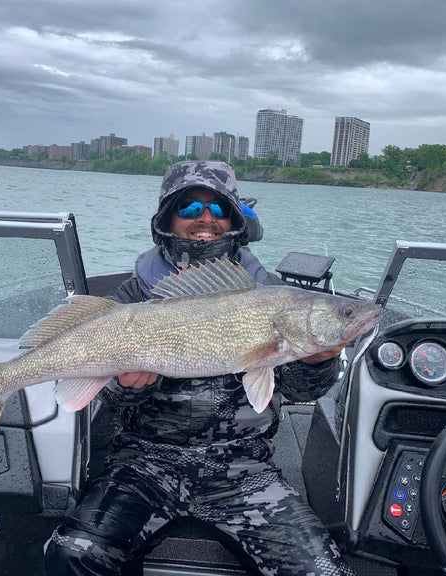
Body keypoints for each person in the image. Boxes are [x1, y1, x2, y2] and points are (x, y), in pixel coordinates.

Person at [44, 161, 354, 576]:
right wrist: (128, 387)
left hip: (243, 470)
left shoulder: (271, 296)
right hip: (144, 465)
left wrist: (319, 362)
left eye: (219, 209)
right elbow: (106, 392)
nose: (206, 219)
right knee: (72, 555)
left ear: (235, 220)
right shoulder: (134, 294)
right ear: (167, 218)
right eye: (190, 208)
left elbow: (299, 391)